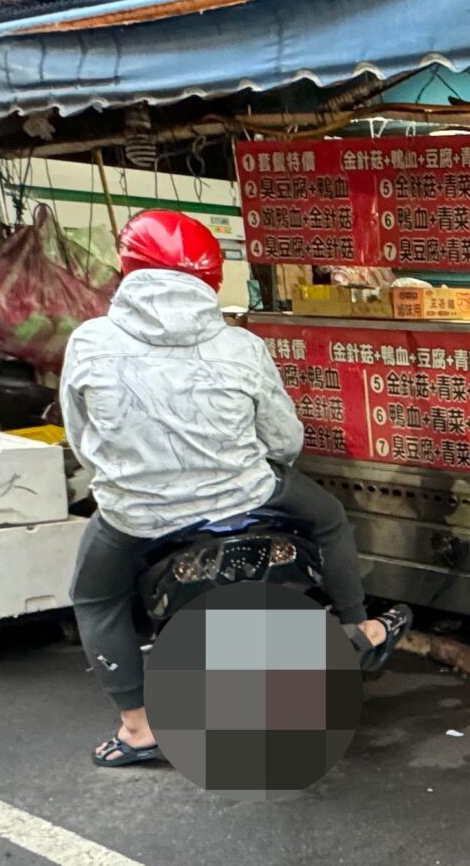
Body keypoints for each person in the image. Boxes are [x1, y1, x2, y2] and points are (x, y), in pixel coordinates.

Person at [61, 210, 408, 769]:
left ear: (127, 270)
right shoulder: (239, 345)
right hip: (246, 496)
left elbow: (82, 440)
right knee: (330, 519)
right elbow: (284, 437)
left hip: (136, 513)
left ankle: (139, 727)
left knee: (95, 598)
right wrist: (260, 469)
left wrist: (128, 477)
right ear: (210, 277)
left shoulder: (89, 341)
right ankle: (358, 624)